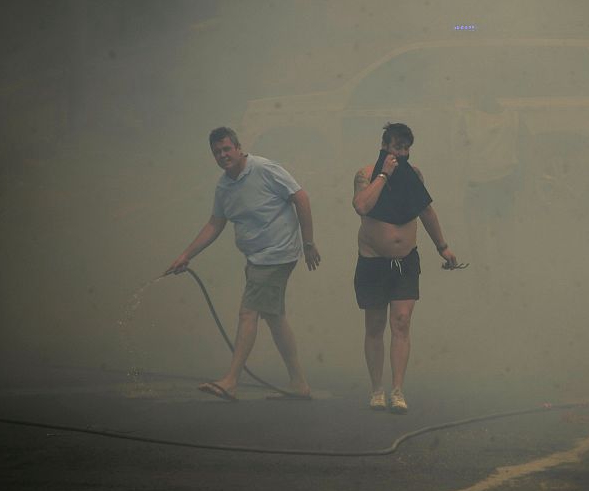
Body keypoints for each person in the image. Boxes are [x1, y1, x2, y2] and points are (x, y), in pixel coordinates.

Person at [166, 127, 320, 401]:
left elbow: (301, 197)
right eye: (217, 152)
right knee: (274, 317)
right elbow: (215, 223)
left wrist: (308, 243)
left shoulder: (264, 169)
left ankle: (231, 380)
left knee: (248, 313)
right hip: (256, 257)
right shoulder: (224, 186)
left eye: (227, 149)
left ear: (238, 147)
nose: (223, 155)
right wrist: (186, 254)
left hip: (277, 253)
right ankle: (299, 383)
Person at [352, 123, 458, 413]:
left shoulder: (414, 175)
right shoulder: (365, 175)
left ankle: (397, 390)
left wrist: (442, 247)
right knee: (375, 326)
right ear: (385, 146)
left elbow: (425, 210)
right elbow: (362, 206)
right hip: (373, 261)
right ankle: (377, 389)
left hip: (406, 261)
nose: (402, 153)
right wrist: (384, 174)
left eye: (406, 148)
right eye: (397, 147)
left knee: (401, 322)